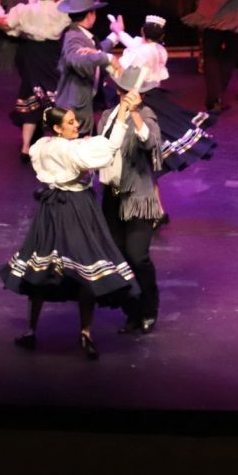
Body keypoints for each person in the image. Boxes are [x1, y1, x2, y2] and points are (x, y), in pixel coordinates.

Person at [0, 102, 141, 359]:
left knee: (41, 267)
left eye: (75, 120)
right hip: (77, 207)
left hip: (51, 206)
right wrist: (122, 115)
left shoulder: (42, 145)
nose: (77, 125)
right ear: (57, 128)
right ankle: (84, 332)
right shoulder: (74, 150)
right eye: (71, 122)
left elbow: (74, 150)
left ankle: (33, 330)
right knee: (86, 265)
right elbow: (108, 149)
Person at [0, 0, 121, 159]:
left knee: (31, 95)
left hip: (31, 53)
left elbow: (7, 25)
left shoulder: (23, 10)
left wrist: (17, 26)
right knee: (58, 97)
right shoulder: (61, 9)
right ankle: (59, 142)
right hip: (51, 53)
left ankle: (25, 147)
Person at [97, 67, 163, 334]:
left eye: (138, 94)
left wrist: (134, 113)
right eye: (127, 92)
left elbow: (150, 142)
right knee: (119, 257)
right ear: (119, 91)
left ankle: (149, 309)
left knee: (137, 256)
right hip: (112, 196)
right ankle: (132, 311)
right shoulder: (107, 117)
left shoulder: (146, 115)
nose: (133, 97)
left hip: (136, 197)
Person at [112, 14, 216, 172]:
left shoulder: (139, 52)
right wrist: (119, 32)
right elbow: (135, 44)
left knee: (149, 126)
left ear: (142, 31)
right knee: (164, 122)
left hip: (141, 94)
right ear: (161, 36)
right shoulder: (160, 50)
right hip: (154, 92)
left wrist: (107, 59)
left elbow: (120, 65)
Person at [54, 0, 123, 136]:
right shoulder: (73, 37)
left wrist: (116, 35)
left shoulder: (80, 34)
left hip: (85, 102)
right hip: (74, 106)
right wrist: (107, 58)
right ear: (90, 14)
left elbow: (95, 50)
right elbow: (76, 59)